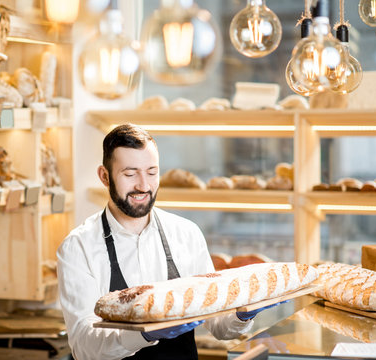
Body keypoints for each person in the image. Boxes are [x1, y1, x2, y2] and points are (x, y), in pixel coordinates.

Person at [57, 124, 278, 360]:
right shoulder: (78, 248)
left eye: (152, 172)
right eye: (130, 174)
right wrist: (144, 335)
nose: (143, 185)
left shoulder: (186, 234)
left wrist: (243, 314)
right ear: (104, 176)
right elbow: (84, 347)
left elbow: (219, 325)